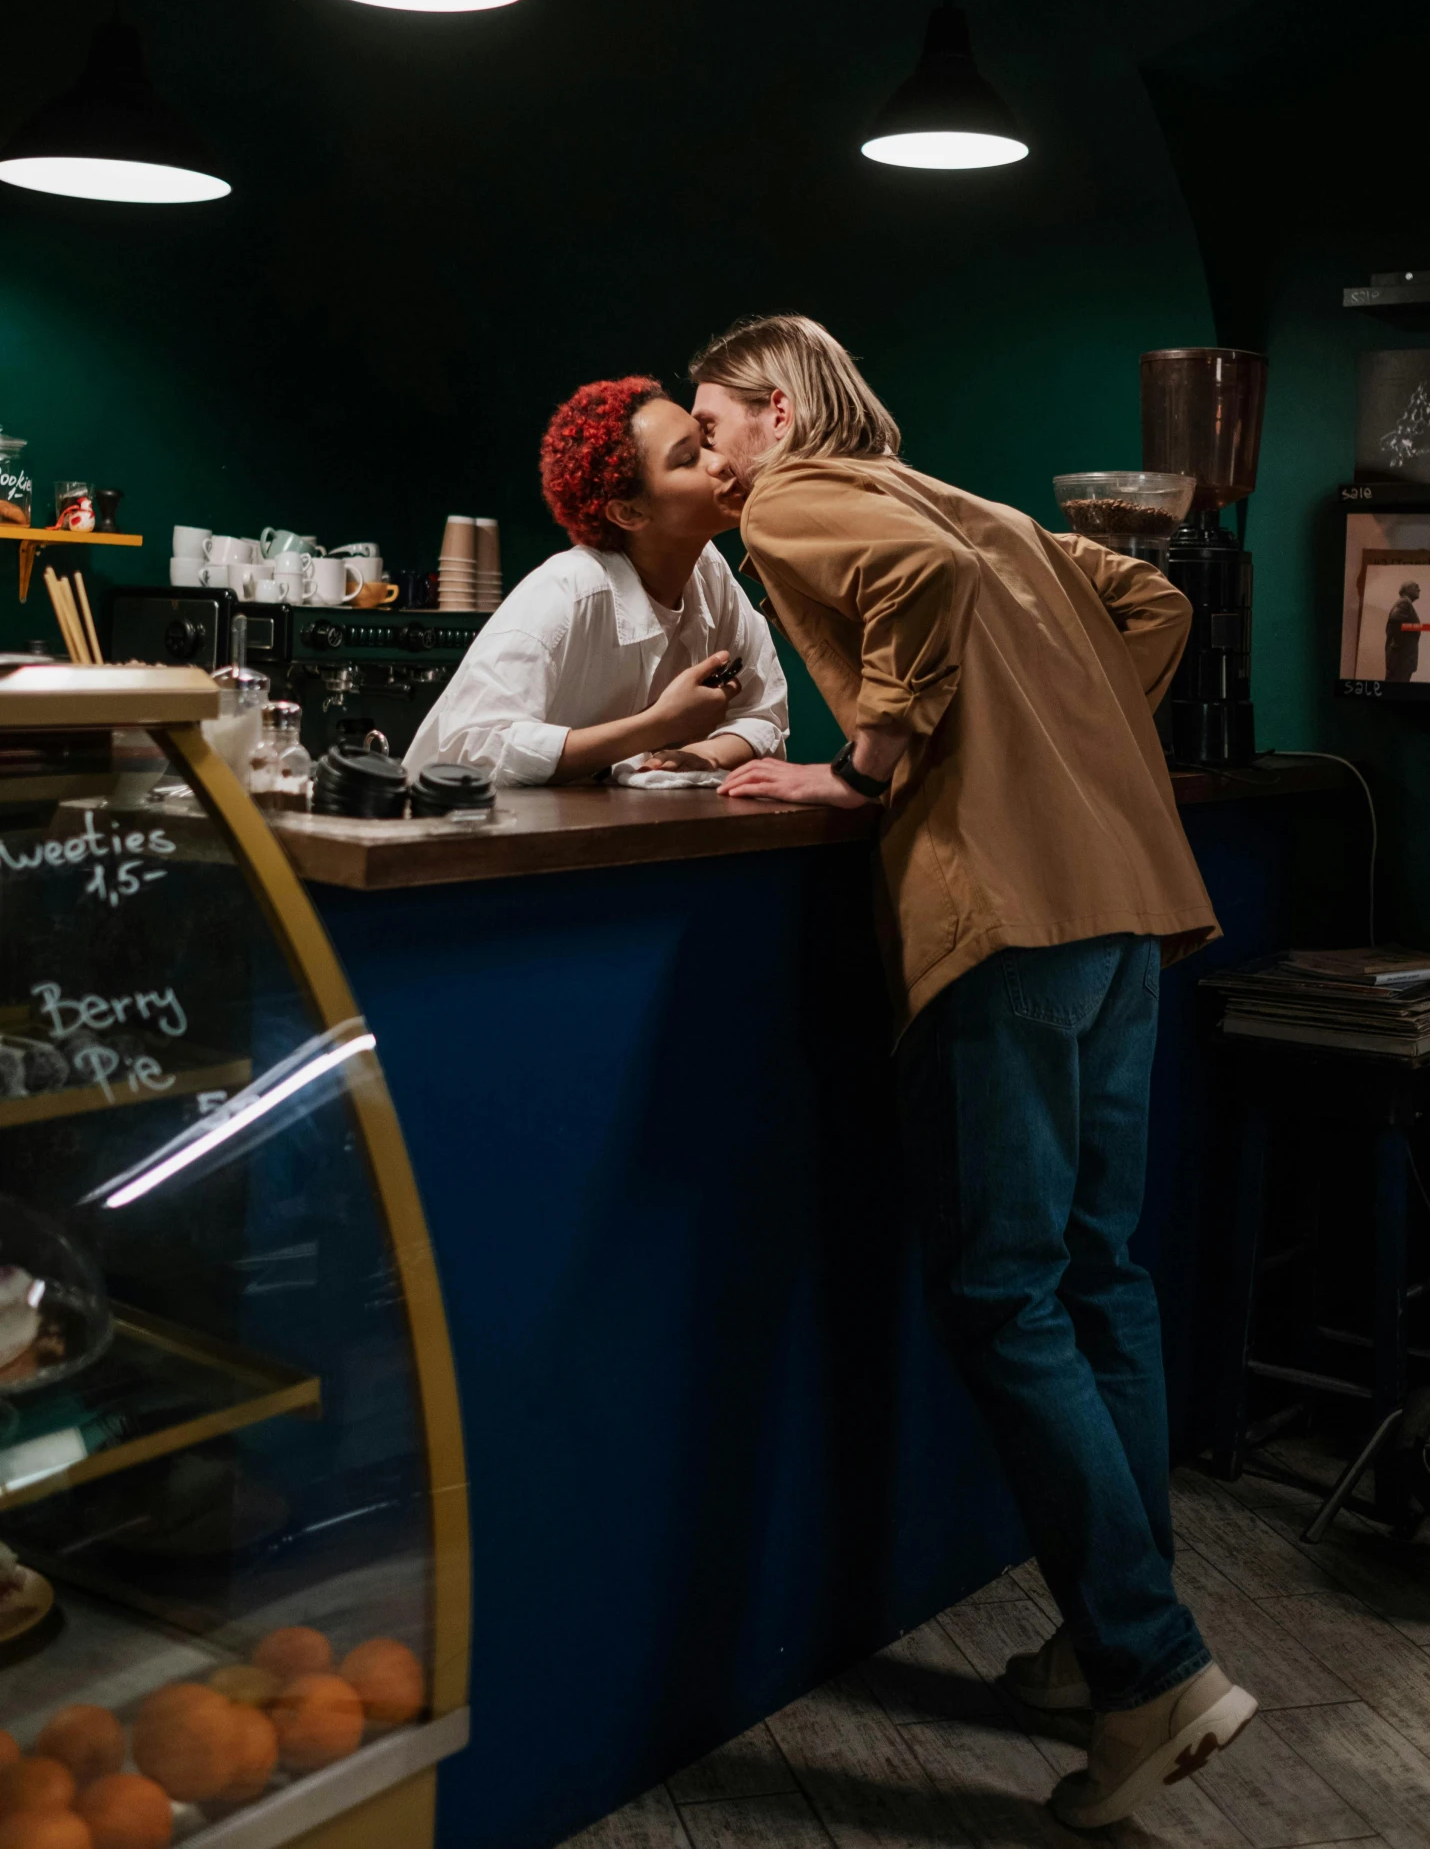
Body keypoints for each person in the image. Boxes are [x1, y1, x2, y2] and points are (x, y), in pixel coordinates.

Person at [689, 313, 1255, 1832]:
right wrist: (1041, 733)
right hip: (1123, 904)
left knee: (1005, 1295)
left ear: (770, 406)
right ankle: (1098, 1643)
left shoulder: (797, 494)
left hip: (1001, 919)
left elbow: (917, 598)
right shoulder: (969, 498)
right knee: (1096, 1278)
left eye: (712, 421)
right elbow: (1144, 601)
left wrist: (865, 766)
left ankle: (1145, 1669)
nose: (708, 453)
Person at [404, 377, 788, 785]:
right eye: (688, 458)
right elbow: (474, 749)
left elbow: (763, 714)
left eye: (706, 443)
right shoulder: (569, 591)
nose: (720, 462)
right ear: (629, 513)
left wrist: (701, 754)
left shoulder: (710, 576)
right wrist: (657, 726)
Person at [1384, 578, 1422, 682]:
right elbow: (1395, 620)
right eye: (1416, 586)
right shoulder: (1404, 603)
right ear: (1406, 589)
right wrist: (1398, 645)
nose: (1419, 589)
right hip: (1401, 659)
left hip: (1402, 659)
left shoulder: (1405, 603)